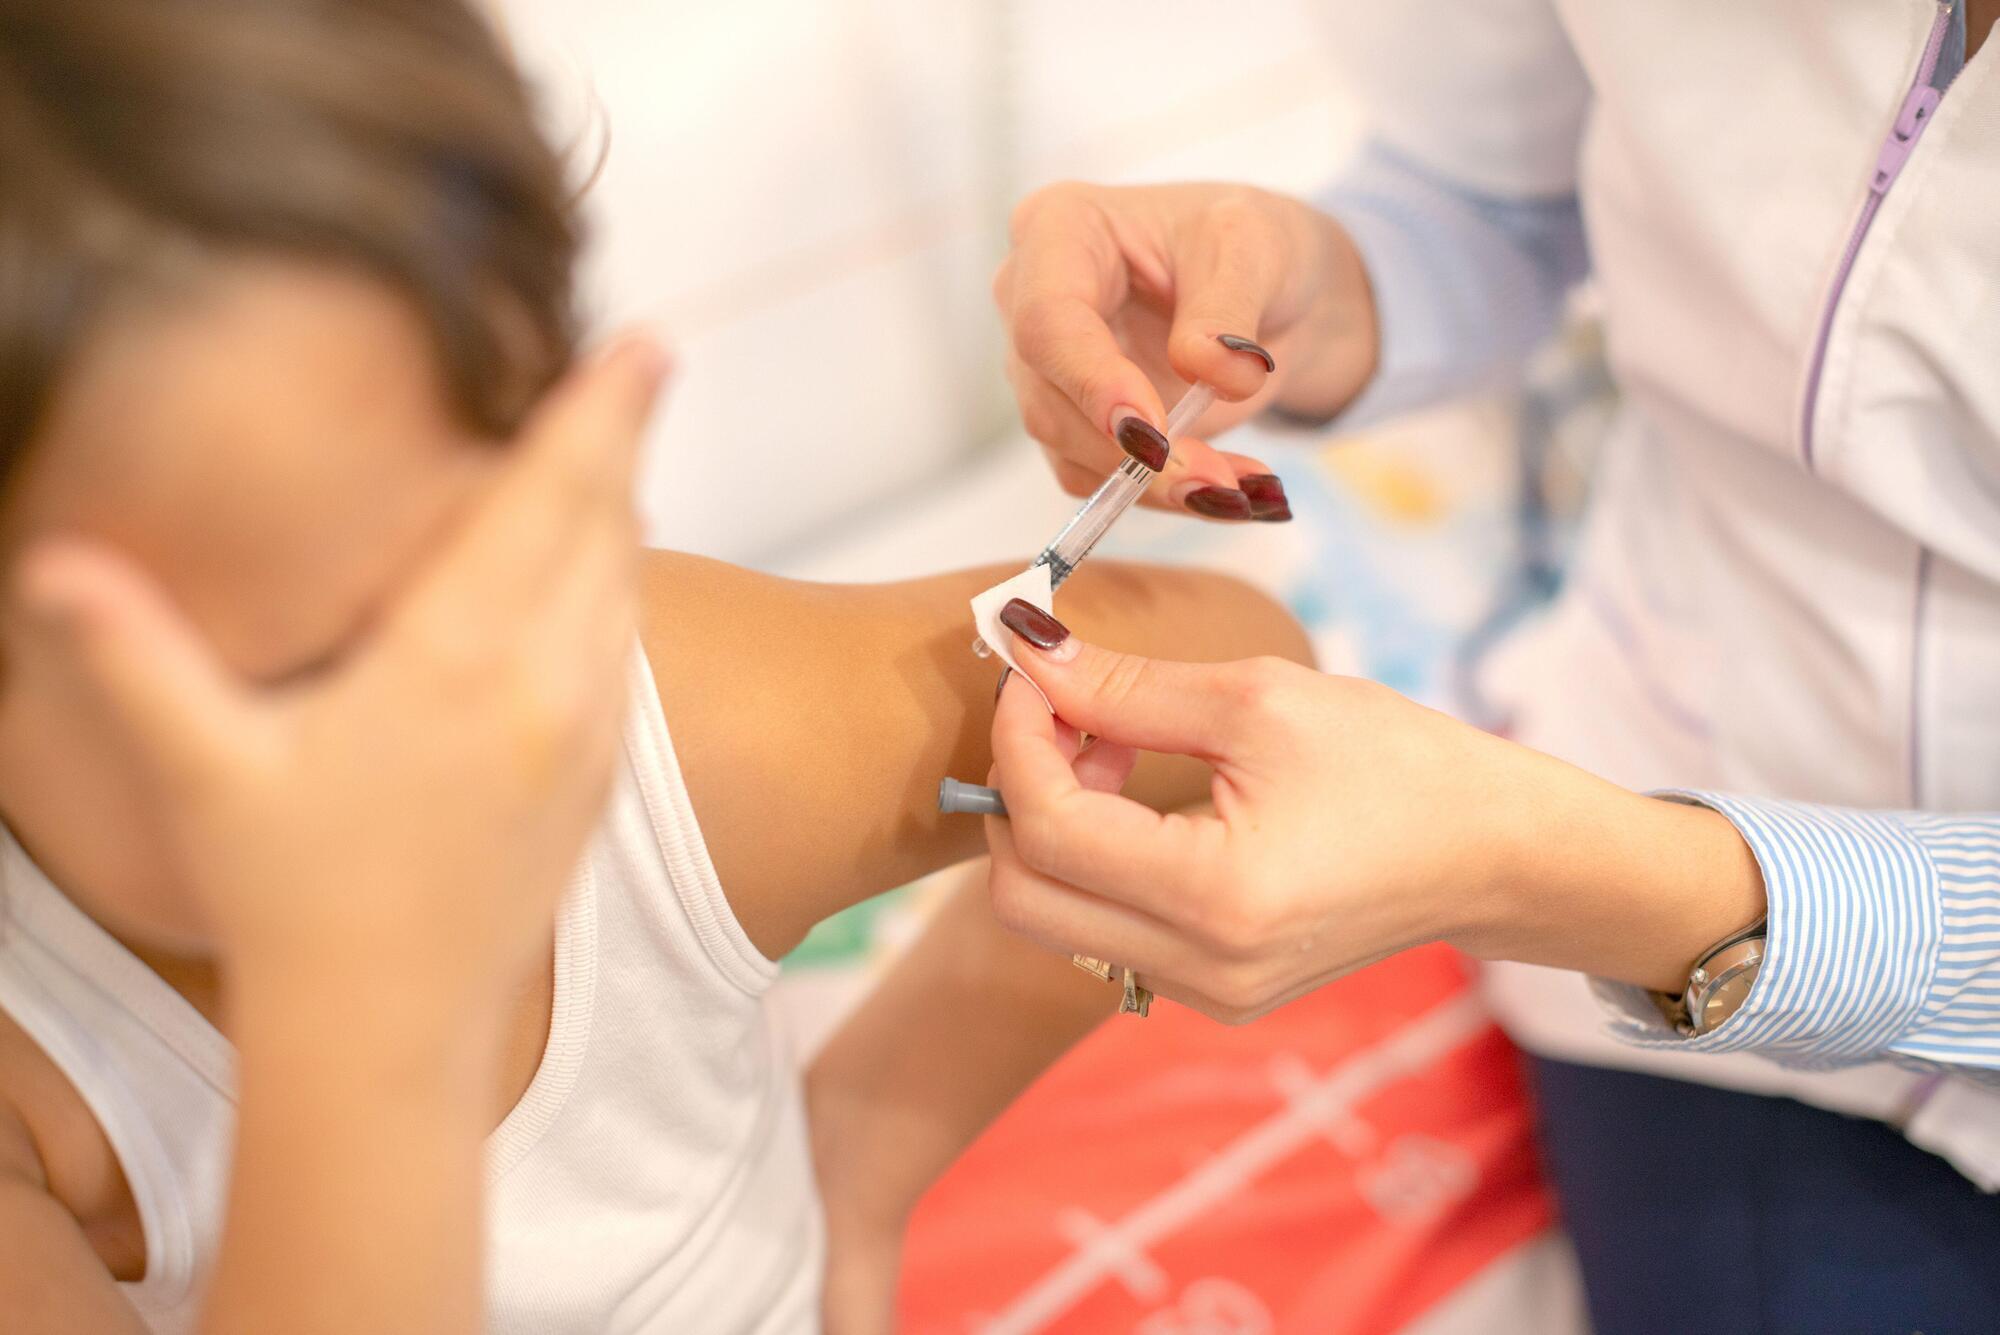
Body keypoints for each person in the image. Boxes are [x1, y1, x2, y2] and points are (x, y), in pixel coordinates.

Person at [0, 2, 1313, 1331]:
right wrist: (371, 1033)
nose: (433, 728)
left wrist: (863, 1153)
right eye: (279, 684)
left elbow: (1247, 707)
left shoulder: (667, 735)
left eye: (484, 569)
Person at [982, 1, 2000, 1328]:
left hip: (1633, 885)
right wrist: (1316, 283)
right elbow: (1501, 187)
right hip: (1663, 802)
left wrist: (1562, 874)